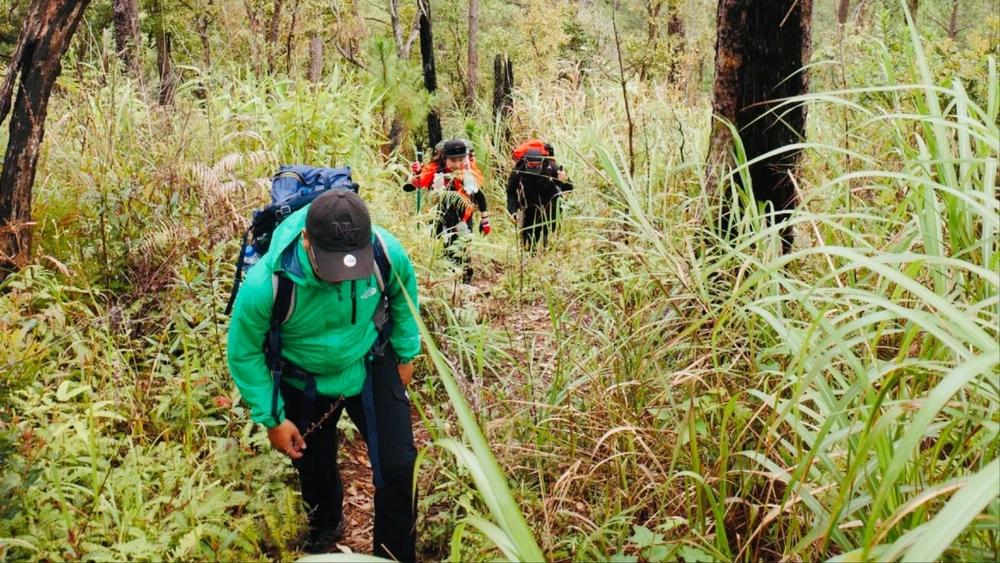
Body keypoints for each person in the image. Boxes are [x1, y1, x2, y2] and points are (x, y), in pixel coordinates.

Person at [227, 189, 421, 560]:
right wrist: (273, 417)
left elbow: (403, 295)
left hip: (369, 361)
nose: (342, 277)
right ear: (306, 240)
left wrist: (406, 353)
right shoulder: (267, 284)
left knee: (399, 466)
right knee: (312, 465)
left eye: (353, 265)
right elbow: (244, 352)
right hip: (303, 378)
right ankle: (326, 524)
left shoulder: (384, 251)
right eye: (332, 265)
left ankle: (393, 555)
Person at [404, 138, 490, 283]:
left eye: (461, 160)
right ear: (445, 158)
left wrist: (485, 219)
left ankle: (464, 281)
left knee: (463, 248)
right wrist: (415, 174)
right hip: (439, 216)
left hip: (464, 216)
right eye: (453, 160)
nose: (457, 164)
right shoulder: (434, 169)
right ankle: (445, 281)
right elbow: (413, 185)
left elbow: (479, 195)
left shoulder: (470, 172)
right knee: (442, 249)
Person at [506, 145, 573, 249]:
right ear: (525, 162)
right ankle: (529, 255)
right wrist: (513, 211)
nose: (534, 167)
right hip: (530, 209)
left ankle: (547, 254)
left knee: (549, 241)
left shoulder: (551, 167)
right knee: (528, 244)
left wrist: (564, 180)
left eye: (537, 165)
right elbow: (511, 192)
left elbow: (569, 188)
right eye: (531, 165)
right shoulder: (518, 171)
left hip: (551, 208)